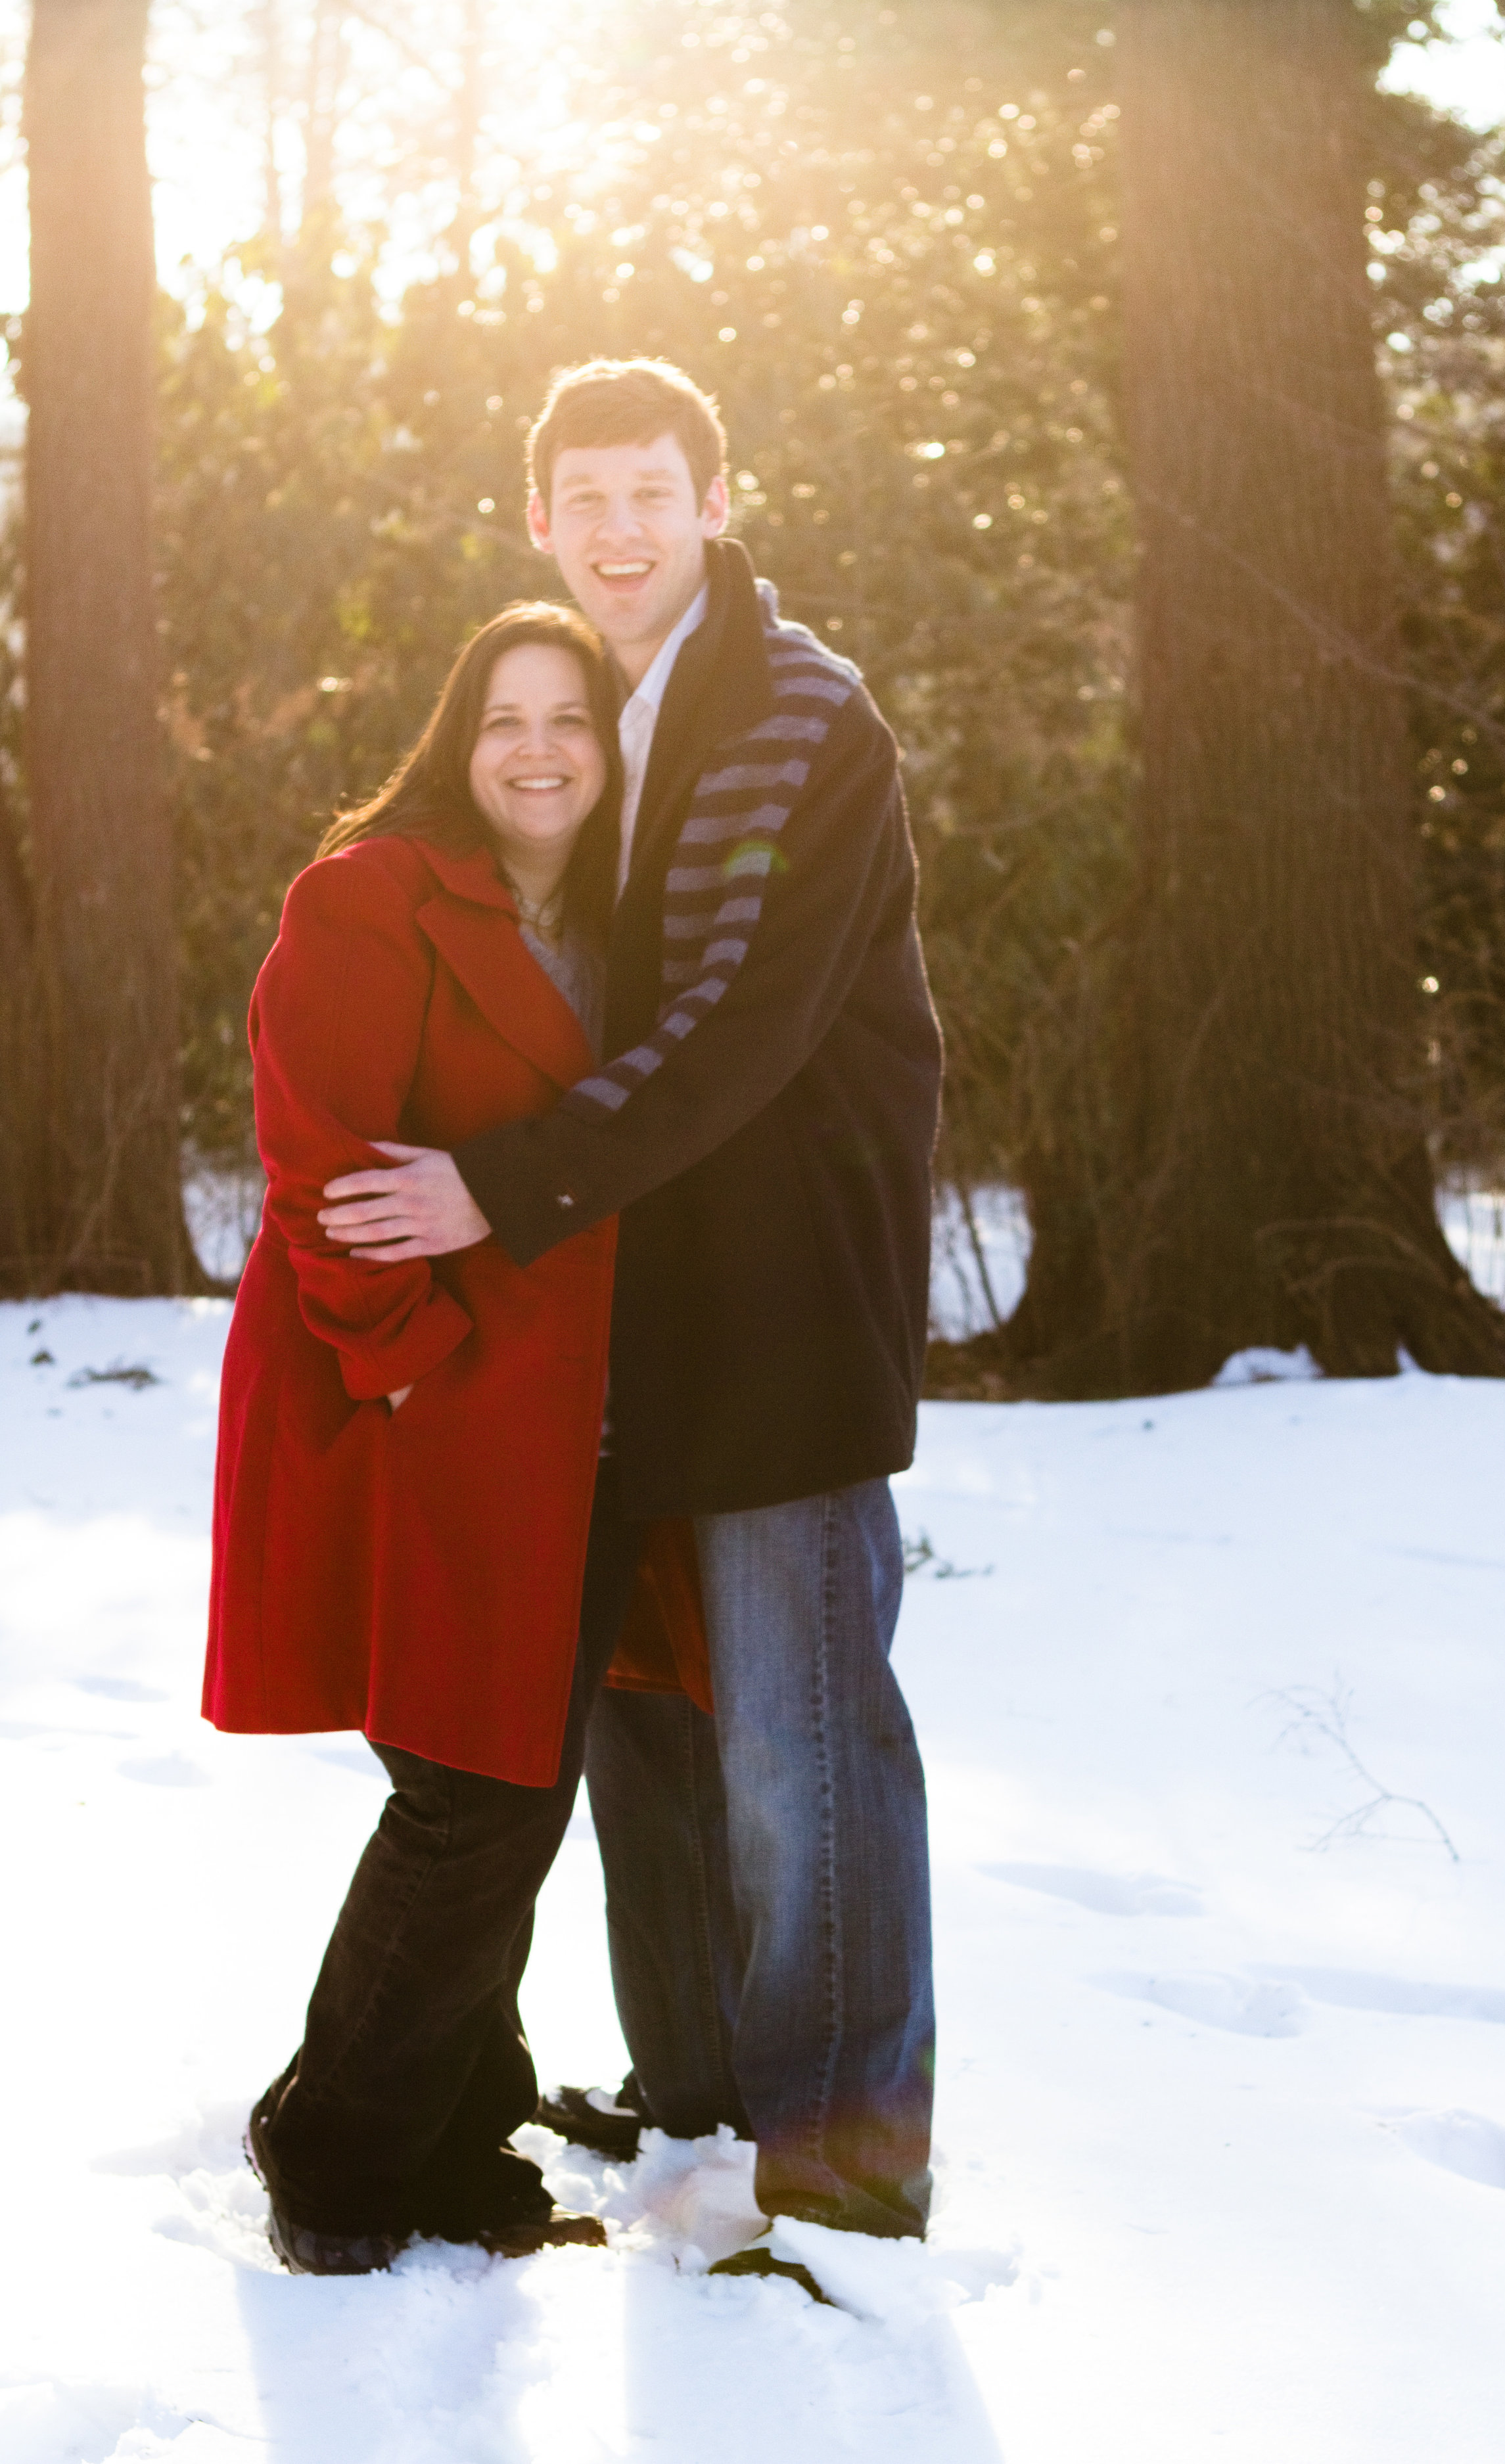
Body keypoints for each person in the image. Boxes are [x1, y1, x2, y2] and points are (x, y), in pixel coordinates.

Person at [316, 358, 944, 2276]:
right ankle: (695, 2096)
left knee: (797, 1730)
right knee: (643, 1727)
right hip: (607, 1310)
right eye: (583, 494)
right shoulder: (580, 712)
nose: (616, 526)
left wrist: (494, 1186)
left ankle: (841, 2153)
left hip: (773, 1310)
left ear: (713, 497)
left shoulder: (799, 718)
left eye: (649, 491)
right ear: (537, 519)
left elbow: (735, 1025)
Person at [203, 600, 705, 2275]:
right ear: (457, 737)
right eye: (507, 719)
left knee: (518, 1777)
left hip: (577, 1422)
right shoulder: (370, 897)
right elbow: (318, 1163)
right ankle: (335, 2140)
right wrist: (410, 1367)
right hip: (421, 1404)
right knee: (468, 1787)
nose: (542, 748)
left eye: (573, 718)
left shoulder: (633, 923)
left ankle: (454, 2129)